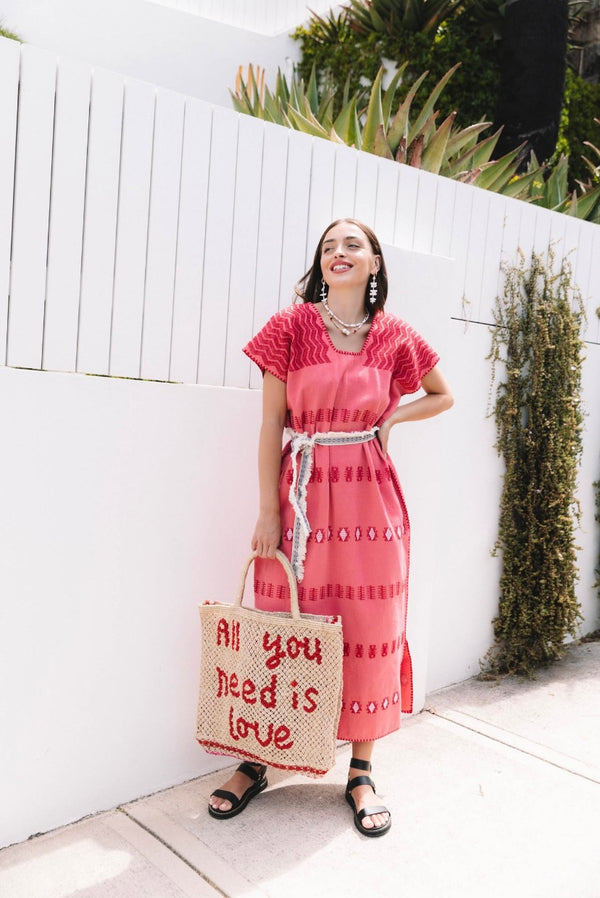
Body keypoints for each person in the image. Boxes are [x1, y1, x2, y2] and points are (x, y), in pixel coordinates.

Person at [208, 218, 453, 836]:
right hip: (303, 497)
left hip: (372, 502)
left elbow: (442, 393)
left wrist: (391, 421)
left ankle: (362, 771)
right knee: (284, 619)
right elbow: (271, 426)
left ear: (374, 263)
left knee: (371, 625)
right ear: (320, 265)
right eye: (327, 246)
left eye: (352, 245)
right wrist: (268, 510)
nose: (338, 253)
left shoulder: (395, 336)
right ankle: (257, 757)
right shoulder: (289, 328)